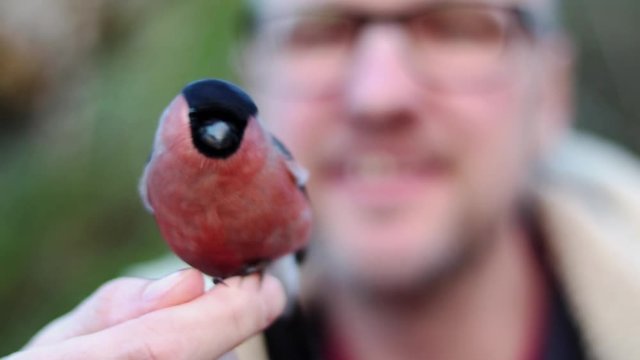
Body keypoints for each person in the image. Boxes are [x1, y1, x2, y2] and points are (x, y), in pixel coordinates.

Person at [7, 0, 640, 359]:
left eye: (454, 27)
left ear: (554, 91)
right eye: (319, 32)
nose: (379, 94)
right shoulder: (137, 336)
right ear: (250, 83)